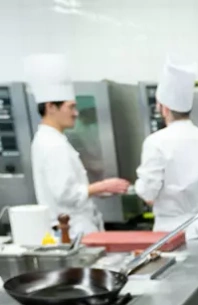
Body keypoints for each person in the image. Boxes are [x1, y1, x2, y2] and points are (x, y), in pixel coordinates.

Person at [24, 54, 129, 236]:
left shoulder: (51, 139)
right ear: (51, 107)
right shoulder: (52, 145)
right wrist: (102, 186)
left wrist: (98, 190)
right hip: (72, 231)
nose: (76, 113)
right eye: (71, 107)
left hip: (76, 227)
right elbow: (66, 195)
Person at [134, 57, 198, 241]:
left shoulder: (156, 142)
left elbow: (148, 192)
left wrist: (139, 187)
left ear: (163, 108)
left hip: (171, 233)